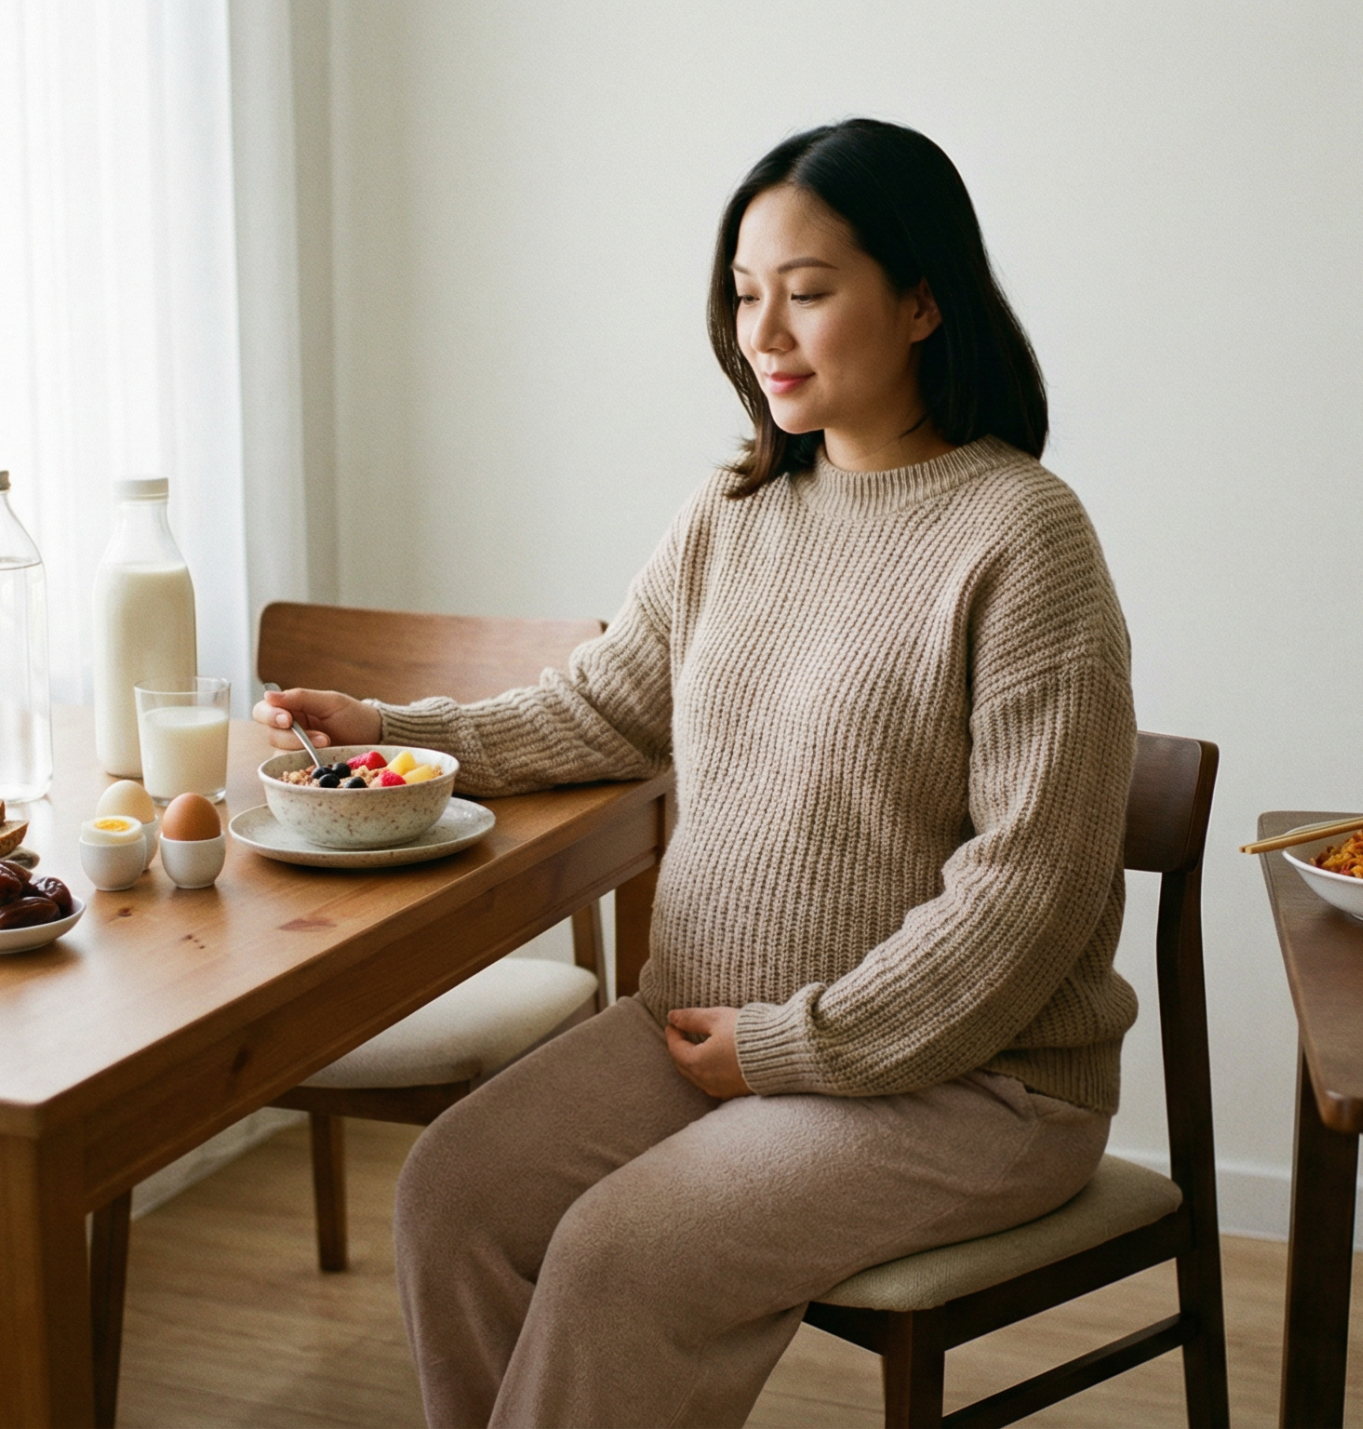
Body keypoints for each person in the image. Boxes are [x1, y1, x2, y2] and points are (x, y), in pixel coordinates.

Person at [260, 117, 1137, 1429]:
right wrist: (389, 735)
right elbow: (603, 710)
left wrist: (793, 1049)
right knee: (455, 1195)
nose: (762, 335)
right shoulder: (736, 508)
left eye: (810, 292)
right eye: (743, 295)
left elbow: (1029, 894)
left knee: (627, 1252)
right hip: (708, 1031)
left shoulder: (1023, 537)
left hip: (972, 1082)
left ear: (922, 300)